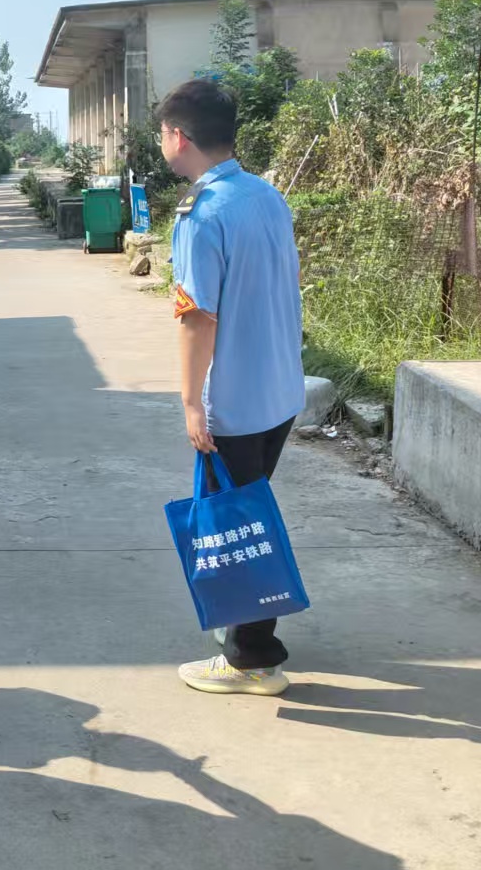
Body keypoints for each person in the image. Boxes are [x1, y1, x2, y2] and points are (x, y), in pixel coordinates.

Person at [159, 78, 305, 697]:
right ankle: (246, 629)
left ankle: (253, 658)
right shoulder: (265, 195)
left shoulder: (203, 214)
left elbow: (197, 317)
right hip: (279, 392)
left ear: (178, 136)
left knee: (238, 525)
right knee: (252, 508)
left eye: (162, 134)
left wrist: (192, 402)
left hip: (237, 401)